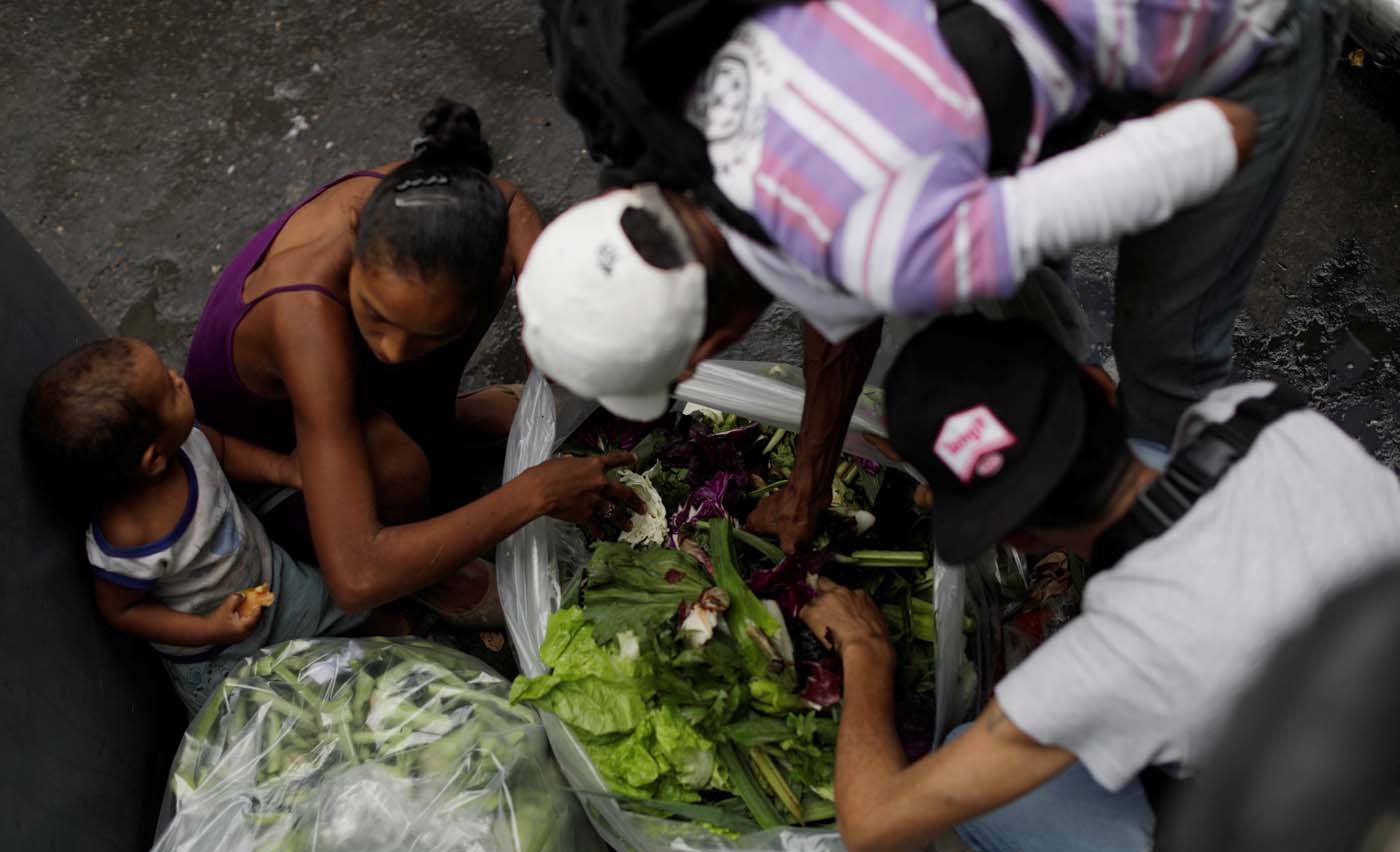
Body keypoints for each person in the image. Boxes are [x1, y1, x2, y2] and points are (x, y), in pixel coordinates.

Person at [517, 0, 1344, 553]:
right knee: (995, 265)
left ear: (712, 343)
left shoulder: (885, 247)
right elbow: (850, 260)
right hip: (1009, 28)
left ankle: (1164, 552)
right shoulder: (698, 97)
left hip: (1240, 35)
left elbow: (1205, 145)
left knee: (1170, 352)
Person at [796, 313, 1400, 852]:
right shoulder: (1257, 414)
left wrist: (866, 650)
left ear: (1013, 539)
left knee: (982, 781)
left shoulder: (1111, 660)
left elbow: (873, 827)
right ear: (1098, 386)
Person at [184, 99, 643, 618]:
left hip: (338, 395)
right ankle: (431, 576)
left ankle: (437, 421)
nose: (393, 350)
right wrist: (531, 495)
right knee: (401, 469)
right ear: (357, 231)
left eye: (429, 334)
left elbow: (508, 203)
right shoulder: (303, 316)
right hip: (267, 466)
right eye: (376, 315)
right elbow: (356, 576)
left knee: (485, 269)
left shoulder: (428, 197)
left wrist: (547, 313)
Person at [23, 338, 367, 714]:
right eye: (170, 390)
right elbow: (122, 611)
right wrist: (208, 630)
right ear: (153, 460)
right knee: (250, 719)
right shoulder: (128, 541)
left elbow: (222, 450)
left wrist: (283, 469)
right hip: (215, 653)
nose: (180, 379)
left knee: (353, 613)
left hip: (275, 580)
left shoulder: (185, 442)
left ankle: (402, 633)